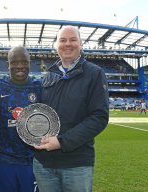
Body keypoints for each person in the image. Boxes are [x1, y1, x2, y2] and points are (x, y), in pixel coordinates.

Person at [33, 26, 109, 192]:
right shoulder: (48, 76)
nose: (68, 44)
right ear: (56, 45)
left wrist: (61, 142)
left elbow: (99, 117)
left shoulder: (94, 73)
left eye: (73, 40)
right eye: (63, 40)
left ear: (81, 44)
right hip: (43, 163)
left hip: (76, 164)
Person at [0, 46, 41, 192]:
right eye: (14, 62)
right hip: (4, 159)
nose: (20, 66)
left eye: (24, 62)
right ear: (8, 65)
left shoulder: (38, 87)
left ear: (29, 64)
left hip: (31, 159)